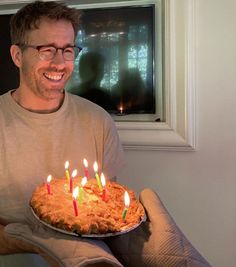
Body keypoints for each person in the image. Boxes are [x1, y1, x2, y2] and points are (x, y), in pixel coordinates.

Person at [0, 1, 124, 266]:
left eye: (67, 50)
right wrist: (35, 241)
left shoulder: (98, 122)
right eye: (46, 50)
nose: (59, 63)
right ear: (17, 56)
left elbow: (106, 210)